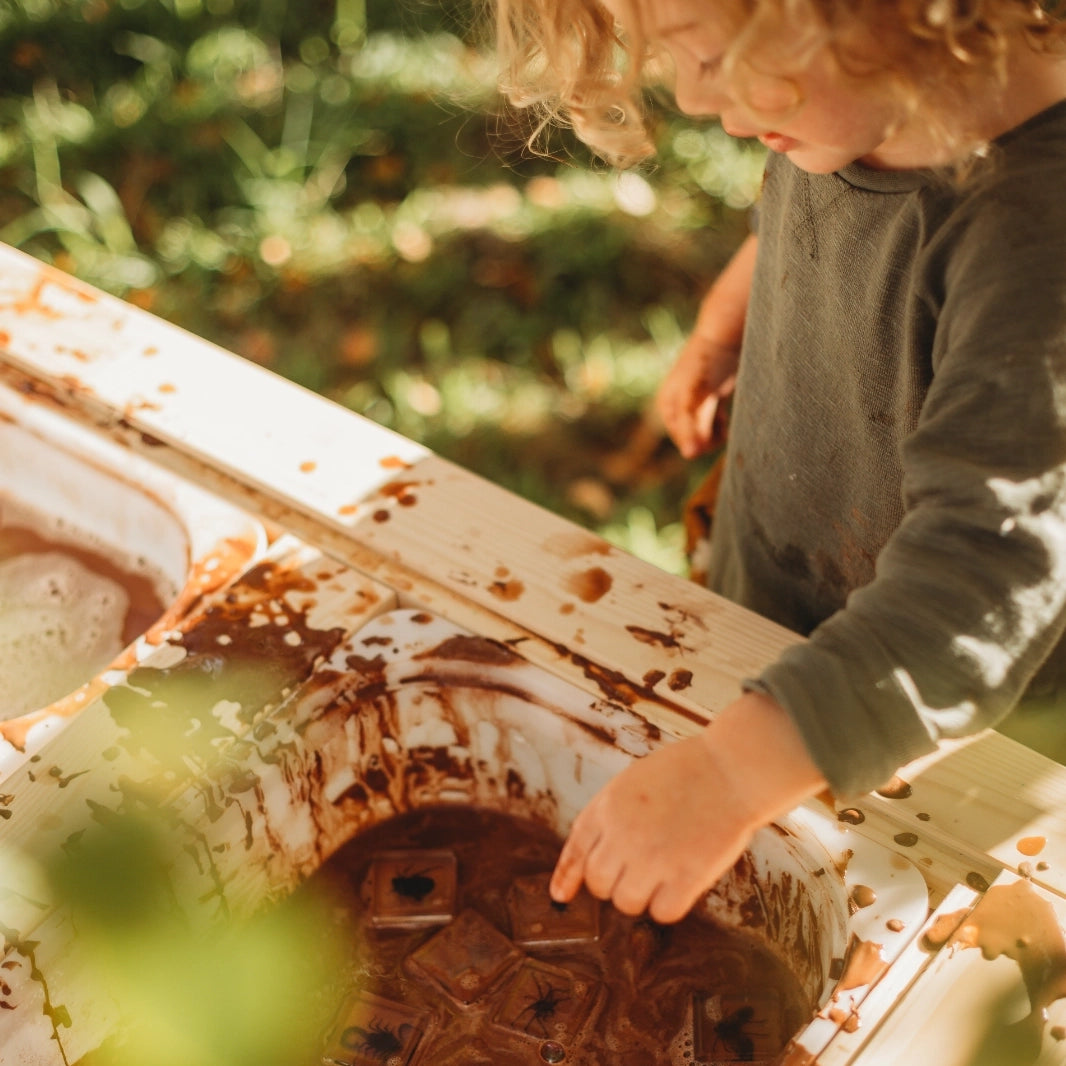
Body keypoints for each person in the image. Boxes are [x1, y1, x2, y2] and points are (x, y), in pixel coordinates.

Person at [492, 0, 1066, 923]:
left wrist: (728, 774)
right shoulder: (865, 109)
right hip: (785, 645)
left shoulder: (1040, 250)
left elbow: (983, 581)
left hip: (940, 737)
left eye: (717, 56)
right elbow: (827, 203)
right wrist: (740, 302)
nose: (691, 97)